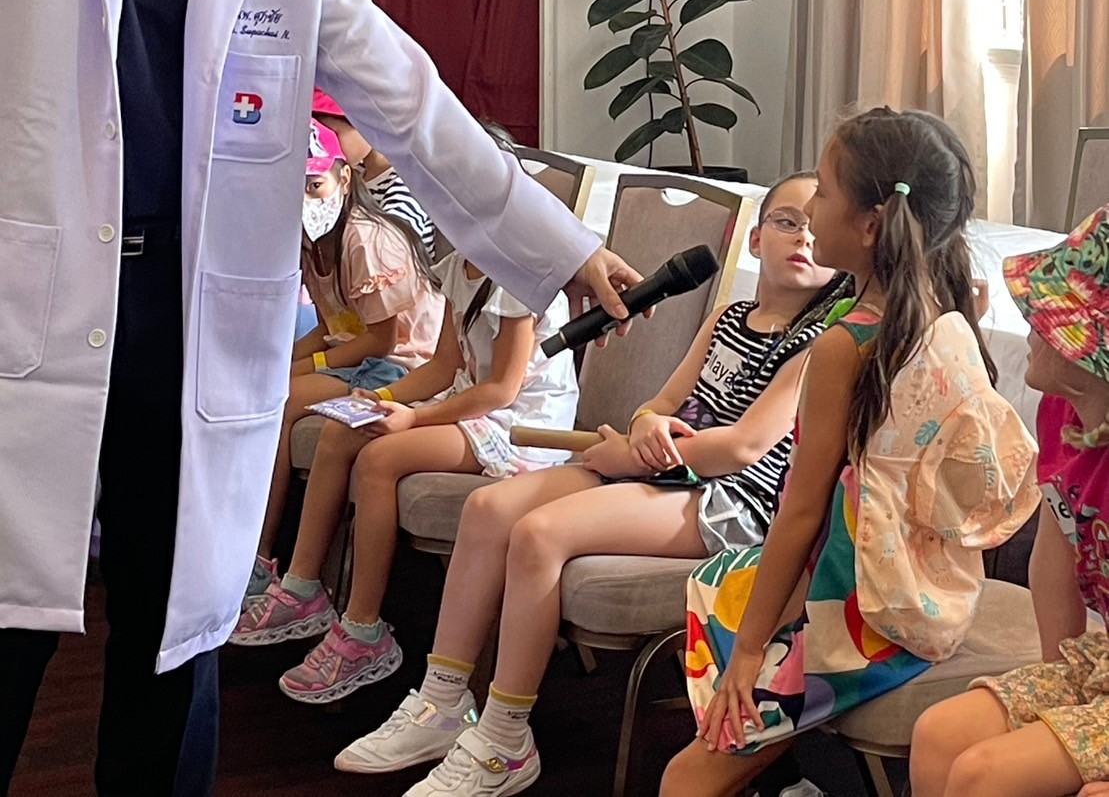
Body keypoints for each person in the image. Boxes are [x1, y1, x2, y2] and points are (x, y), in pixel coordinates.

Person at [0, 0, 637, 797]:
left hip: (193, 310)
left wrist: (558, 248)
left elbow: (411, 102)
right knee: (7, 616)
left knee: (174, 624)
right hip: (34, 293)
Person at [330, 172, 849, 793]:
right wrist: (645, 424)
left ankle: (504, 739)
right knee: (489, 509)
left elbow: (743, 446)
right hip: (665, 470)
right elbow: (659, 403)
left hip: (731, 498)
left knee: (540, 533)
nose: (804, 237)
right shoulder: (727, 316)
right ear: (758, 238)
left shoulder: (821, 342)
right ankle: (442, 700)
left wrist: (636, 458)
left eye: (816, 226)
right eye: (788, 222)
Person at [660, 107, 1034, 797]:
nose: (810, 210)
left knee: (684, 776)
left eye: (824, 192)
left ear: (869, 225)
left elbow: (801, 513)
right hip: (924, 590)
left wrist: (750, 653)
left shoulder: (845, 345)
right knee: (720, 579)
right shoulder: (944, 313)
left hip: (859, 612)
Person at [231, 136, 580, 701]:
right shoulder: (460, 265)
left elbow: (502, 389)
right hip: (472, 406)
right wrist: (385, 401)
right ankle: (302, 587)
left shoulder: (518, 273)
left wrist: (412, 421)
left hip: (518, 429)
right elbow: (444, 365)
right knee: (348, 427)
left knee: (381, 456)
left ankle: (362, 630)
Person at [910, 205, 1109, 797]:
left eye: (1047, 320)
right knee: (939, 735)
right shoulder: (1064, 414)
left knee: (985, 774)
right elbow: (1055, 549)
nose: (1028, 328)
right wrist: (1058, 681)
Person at [243, 119, 445, 602]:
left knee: (279, 399)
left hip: (400, 363)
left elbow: (380, 340)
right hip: (354, 354)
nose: (306, 200)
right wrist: (285, 359)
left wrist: (304, 367)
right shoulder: (310, 242)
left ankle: (259, 557)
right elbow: (332, 323)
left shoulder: (366, 239)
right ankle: (247, 548)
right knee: (260, 385)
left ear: (344, 178)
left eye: (315, 185)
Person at [311, 87, 436, 253]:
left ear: (366, 124)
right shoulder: (356, 171)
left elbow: (386, 253)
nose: (326, 147)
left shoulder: (407, 192)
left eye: (332, 134)